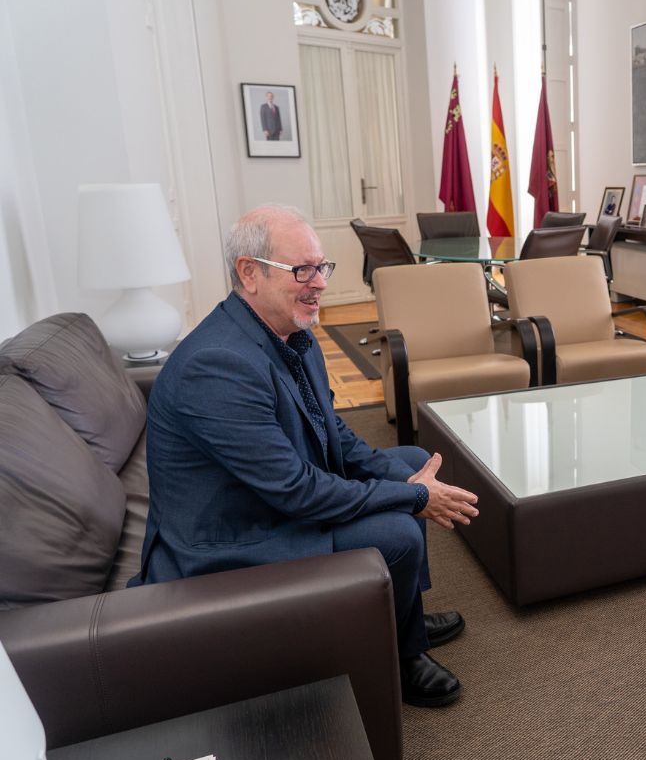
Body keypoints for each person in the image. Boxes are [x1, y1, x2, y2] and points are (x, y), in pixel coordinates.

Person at [131, 204, 478, 707]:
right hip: (234, 535)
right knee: (399, 527)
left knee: (406, 460)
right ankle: (399, 656)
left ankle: (402, 617)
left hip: (269, 497)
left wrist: (404, 480)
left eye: (322, 268)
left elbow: (332, 431)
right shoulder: (216, 366)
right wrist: (413, 497)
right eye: (302, 270)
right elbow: (296, 491)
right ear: (248, 273)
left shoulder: (291, 331)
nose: (319, 283)